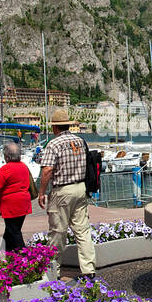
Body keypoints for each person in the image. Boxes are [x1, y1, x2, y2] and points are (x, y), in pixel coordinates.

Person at [37, 109, 95, 278]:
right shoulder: (80, 141)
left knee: (58, 232)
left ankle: (53, 270)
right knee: (82, 231)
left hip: (62, 190)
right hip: (80, 188)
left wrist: (41, 192)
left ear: (55, 128)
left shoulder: (54, 144)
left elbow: (47, 170)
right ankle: (88, 269)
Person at [0, 141, 33, 251]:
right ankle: (3, 253)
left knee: (14, 232)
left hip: (11, 205)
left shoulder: (6, 169)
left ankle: (24, 257)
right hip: (24, 203)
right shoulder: (24, 166)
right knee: (10, 230)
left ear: (6, 156)